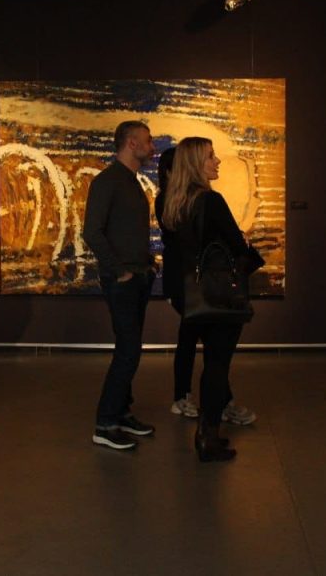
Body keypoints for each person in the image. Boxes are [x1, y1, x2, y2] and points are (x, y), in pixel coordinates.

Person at [161, 137, 251, 462]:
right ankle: (208, 435)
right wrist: (243, 244)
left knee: (212, 360)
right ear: (196, 164)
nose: (217, 161)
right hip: (219, 295)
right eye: (211, 156)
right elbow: (236, 246)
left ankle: (207, 432)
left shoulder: (175, 203)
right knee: (217, 363)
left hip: (193, 294)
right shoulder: (210, 201)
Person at [83, 120, 157, 450]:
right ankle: (105, 422)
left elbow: (125, 231)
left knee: (130, 347)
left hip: (137, 277)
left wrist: (145, 263)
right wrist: (119, 271)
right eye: (148, 141)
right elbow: (92, 232)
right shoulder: (107, 181)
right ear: (131, 143)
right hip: (123, 280)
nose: (152, 146)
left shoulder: (129, 181)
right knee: (128, 350)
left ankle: (122, 412)